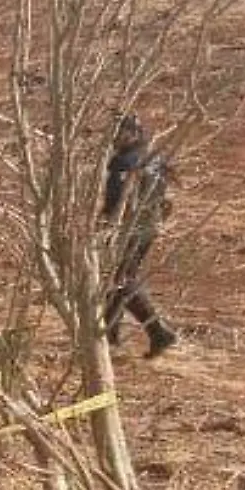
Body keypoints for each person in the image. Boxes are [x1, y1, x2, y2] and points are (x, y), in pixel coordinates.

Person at [100, 113, 179, 358]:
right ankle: (108, 336)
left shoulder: (124, 163)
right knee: (117, 278)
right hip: (149, 227)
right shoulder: (153, 158)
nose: (116, 138)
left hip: (131, 228)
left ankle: (158, 332)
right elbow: (167, 200)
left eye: (122, 133)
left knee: (122, 279)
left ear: (133, 134)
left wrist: (104, 224)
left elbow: (115, 202)